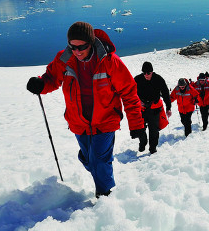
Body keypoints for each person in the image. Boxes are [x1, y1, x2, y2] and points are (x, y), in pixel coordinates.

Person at [26, 21, 146, 198]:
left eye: (82, 46)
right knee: (90, 160)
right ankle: (97, 171)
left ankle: (105, 194)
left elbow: (128, 92)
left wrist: (136, 124)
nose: (77, 51)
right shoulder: (65, 58)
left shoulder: (109, 61)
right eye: (72, 46)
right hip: (79, 122)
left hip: (105, 121)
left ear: (91, 43)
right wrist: (40, 84)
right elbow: (51, 78)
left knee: (98, 160)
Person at [133, 61, 171, 154]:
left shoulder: (158, 79)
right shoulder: (137, 79)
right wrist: (138, 101)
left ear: (152, 72)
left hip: (154, 108)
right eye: (144, 73)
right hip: (142, 109)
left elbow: (166, 94)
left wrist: (168, 107)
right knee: (140, 129)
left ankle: (153, 149)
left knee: (154, 130)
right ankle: (143, 142)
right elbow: (131, 93)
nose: (146, 75)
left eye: (148, 73)